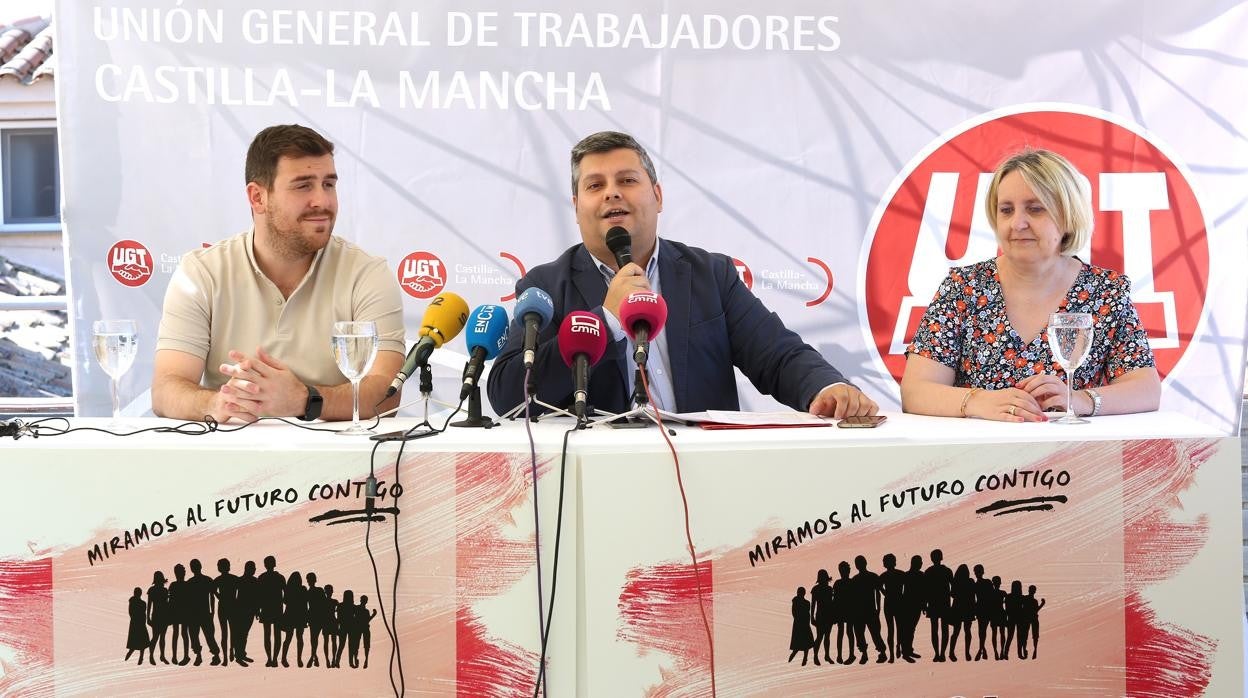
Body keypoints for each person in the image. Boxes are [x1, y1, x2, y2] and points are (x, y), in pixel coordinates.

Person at [486, 130, 877, 418]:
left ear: (657, 196)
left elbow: (777, 354)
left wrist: (828, 388)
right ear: (576, 207)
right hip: (598, 481)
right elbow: (509, 395)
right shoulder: (545, 286)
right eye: (595, 185)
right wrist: (606, 321)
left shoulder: (711, 275)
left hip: (704, 475)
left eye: (627, 180)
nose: (612, 193)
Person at [153, 124, 405, 424]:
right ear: (258, 197)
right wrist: (218, 403)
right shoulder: (201, 273)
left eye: (328, 184)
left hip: (343, 465)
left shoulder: (367, 274)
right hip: (228, 460)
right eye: (303, 185)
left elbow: (387, 393)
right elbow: (166, 389)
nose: (322, 201)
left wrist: (304, 399)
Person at [902, 148, 1160, 421]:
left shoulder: (1106, 291)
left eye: (1035, 209)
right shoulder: (963, 288)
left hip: (1075, 458)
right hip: (975, 458)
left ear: (1068, 216)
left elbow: (1146, 389)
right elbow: (915, 390)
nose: (1017, 223)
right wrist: (978, 402)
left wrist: (1080, 400)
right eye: (1006, 210)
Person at [788, 587, 815, 666]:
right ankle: (795, 654)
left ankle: (805, 657)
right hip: (799, 623)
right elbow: (794, 612)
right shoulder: (796, 601)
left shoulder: (807, 603)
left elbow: (807, 613)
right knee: (800, 640)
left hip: (804, 623)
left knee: (806, 641)